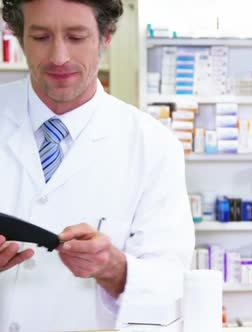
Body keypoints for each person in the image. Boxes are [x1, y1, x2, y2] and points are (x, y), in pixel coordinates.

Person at [0, 0, 195, 331]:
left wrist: (115, 269)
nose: (59, 57)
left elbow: (172, 284)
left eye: (76, 37)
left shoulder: (153, 146)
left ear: (106, 36)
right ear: (19, 37)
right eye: (41, 37)